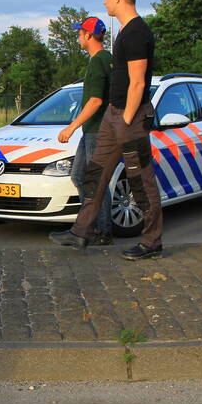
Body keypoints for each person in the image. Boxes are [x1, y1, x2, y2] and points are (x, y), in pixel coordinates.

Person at [49, 0, 163, 260]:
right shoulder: (124, 31)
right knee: (95, 175)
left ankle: (152, 242)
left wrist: (126, 119)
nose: (104, 2)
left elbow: (138, 82)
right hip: (114, 115)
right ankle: (81, 232)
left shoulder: (136, 32)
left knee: (141, 181)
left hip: (129, 117)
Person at [56, 17, 114, 245]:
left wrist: (71, 127)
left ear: (89, 35)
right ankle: (90, 226)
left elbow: (95, 100)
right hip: (94, 130)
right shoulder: (107, 59)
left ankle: (101, 230)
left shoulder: (98, 62)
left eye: (80, 33)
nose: (78, 37)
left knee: (94, 182)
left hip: (97, 131)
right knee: (79, 176)